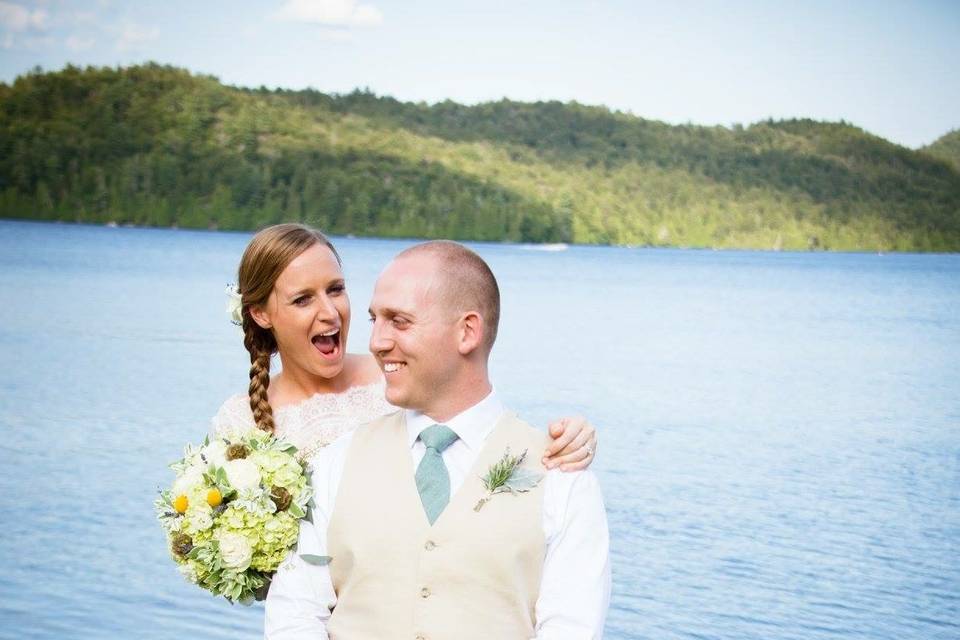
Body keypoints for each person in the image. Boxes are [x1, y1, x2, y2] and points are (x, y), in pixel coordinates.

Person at [264, 240, 610, 639]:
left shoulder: (563, 479)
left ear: (467, 332)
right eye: (374, 319)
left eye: (399, 321)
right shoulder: (333, 463)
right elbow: (295, 614)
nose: (376, 341)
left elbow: (571, 630)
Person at [211, 224, 599, 468]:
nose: (330, 312)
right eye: (303, 299)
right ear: (261, 313)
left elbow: (480, 440)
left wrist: (563, 443)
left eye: (336, 290)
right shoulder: (239, 421)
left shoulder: (398, 376)